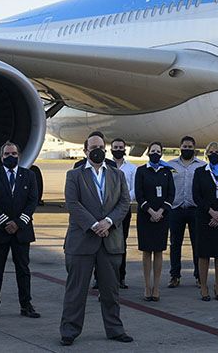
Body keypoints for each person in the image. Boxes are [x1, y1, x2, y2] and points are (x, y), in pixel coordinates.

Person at [60, 134, 133, 345]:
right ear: (85, 151)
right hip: (83, 241)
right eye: (93, 147)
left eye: (101, 147)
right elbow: (73, 204)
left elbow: (124, 202)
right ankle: (69, 330)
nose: (97, 150)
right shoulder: (73, 175)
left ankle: (115, 329)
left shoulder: (117, 175)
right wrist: (94, 225)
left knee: (111, 291)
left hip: (110, 241)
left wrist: (108, 222)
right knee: (76, 291)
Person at [0, 141, 40, 320]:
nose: (10, 157)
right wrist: (6, 222)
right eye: (7, 154)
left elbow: (32, 202)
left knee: (23, 269)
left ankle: (26, 304)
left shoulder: (29, 176)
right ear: (1, 157)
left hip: (22, 231)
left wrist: (19, 223)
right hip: (0, 231)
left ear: (19, 156)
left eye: (14, 154)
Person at [135, 142, 174, 302]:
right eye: (153, 151)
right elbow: (139, 194)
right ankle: (146, 286)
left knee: (159, 252)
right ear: (148, 153)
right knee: (146, 252)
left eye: (158, 151)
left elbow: (171, 194)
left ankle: (156, 287)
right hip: (146, 215)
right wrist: (150, 211)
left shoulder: (166, 172)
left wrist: (160, 211)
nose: (155, 153)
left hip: (162, 216)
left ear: (162, 153)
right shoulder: (142, 171)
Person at [193, 142, 218, 301]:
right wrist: (211, 212)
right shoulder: (200, 172)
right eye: (211, 152)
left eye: (217, 152)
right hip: (204, 218)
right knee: (204, 254)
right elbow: (197, 196)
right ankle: (203, 286)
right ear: (206, 154)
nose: (214, 154)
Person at [167, 135, 205, 287]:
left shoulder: (201, 165)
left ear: (194, 148)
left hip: (195, 209)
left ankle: (198, 276)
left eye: (190, 147)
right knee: (175, 244)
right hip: (176, 208)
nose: (187, 149)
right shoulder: (171, 165)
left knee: (198, 244)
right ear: (180, 147)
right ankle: (175, 276)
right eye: (185, 146)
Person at [110, 138, 136, 289]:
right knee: (103, 245)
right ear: (111, 149)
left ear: (125, 149)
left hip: (124, 211)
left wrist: (122, 200)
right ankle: (99, 278)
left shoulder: (132, 169)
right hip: (106, 210)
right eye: (115, 147)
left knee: (121, 244)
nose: (118, 149)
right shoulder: (105, 166)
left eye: (121, 147)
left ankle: (121, 277)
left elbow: (133, 190)